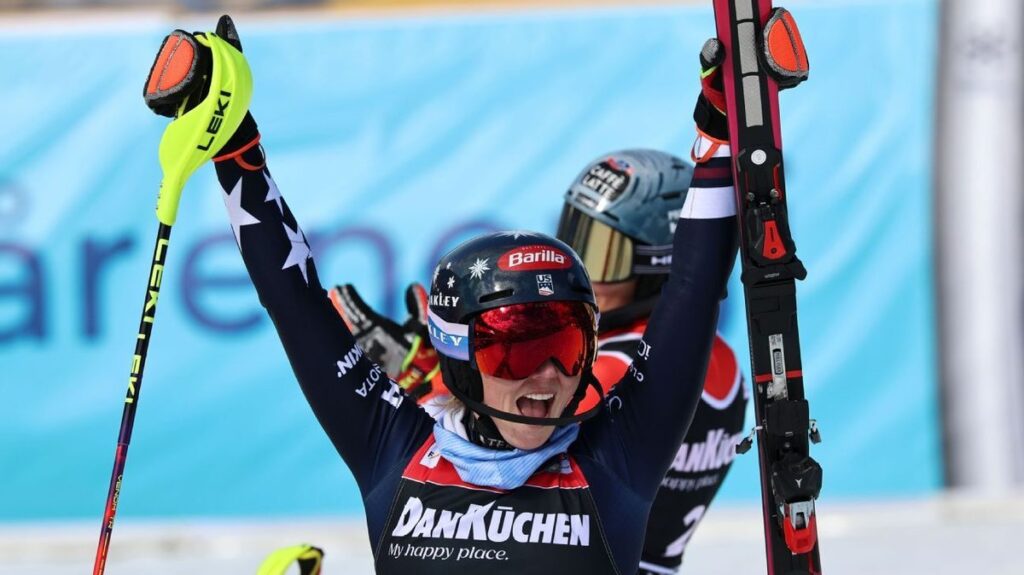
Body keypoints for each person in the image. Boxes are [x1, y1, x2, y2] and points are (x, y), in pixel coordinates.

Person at [143, 15, 755, 574]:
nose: (546, 377)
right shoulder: (393, 446)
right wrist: (234, 146)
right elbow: (291, 297)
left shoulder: (617, 460)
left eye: (567, 348)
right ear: (458, 357)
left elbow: (694, 290)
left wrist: (718, 125)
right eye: (513, 352)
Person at [333, 151, 746, 575]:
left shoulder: (622, 359)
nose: (584, 273)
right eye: (576, 236)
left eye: (605, 253)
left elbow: (520, 430)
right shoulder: (717, 359)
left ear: (660, 262)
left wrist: (433, 377)